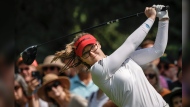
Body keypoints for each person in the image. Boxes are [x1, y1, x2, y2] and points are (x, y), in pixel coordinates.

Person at [53, 5, 169, 107]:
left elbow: (157, 50)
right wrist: (151, 18)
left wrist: (163, 18)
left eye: (92, 47)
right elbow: (131, 44)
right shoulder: (97, 71)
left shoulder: (127, 59)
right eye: (85, 53)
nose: (92, 53)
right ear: (82, 59)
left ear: (98, 44)